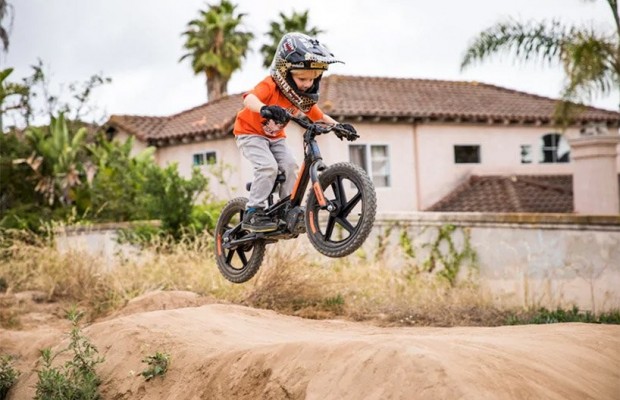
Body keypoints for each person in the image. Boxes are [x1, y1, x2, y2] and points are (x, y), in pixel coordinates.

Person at [233, 32, 356, 232]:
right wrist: (264, 108)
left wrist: (339, 126)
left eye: (312, 79)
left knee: (290, 166)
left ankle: (285, 210)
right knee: (268, 167)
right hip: (250, 133)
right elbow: (249, 99)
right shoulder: (271, 85)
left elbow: (319, 116)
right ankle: (253, 212)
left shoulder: (299, 98)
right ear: (286, 71)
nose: (307, 84)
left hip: (275, 138)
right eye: (302, 78)